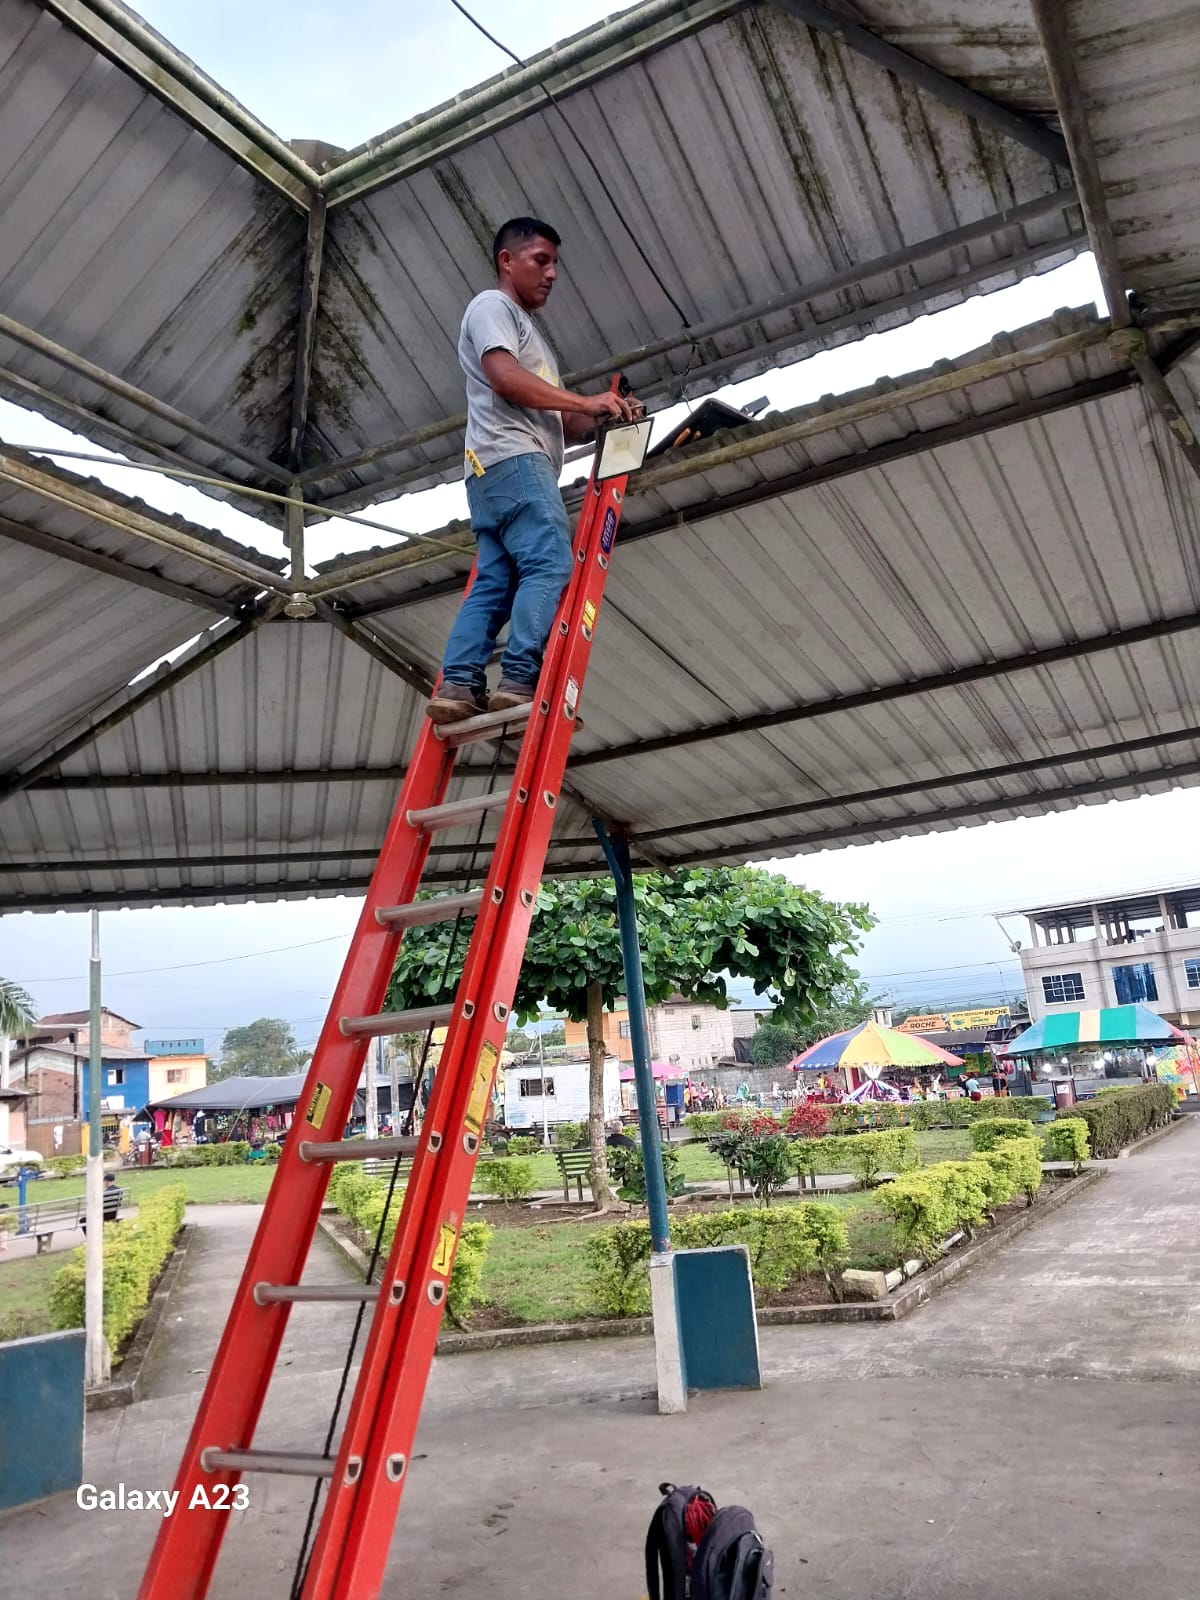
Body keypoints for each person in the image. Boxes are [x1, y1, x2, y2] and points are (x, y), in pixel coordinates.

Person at [427, 216, 643, 724]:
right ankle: (521, 677)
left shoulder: (534, 344)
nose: (552, 274)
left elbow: (562, 423)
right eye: (541, 261)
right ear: (507, 261)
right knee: (549, 563)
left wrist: (604, 413)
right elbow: (505, 378)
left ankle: (458, 684)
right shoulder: (493, 307)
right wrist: (585, 400)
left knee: (495, 582)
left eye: (555, 265)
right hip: (516, 462)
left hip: (492, 472)